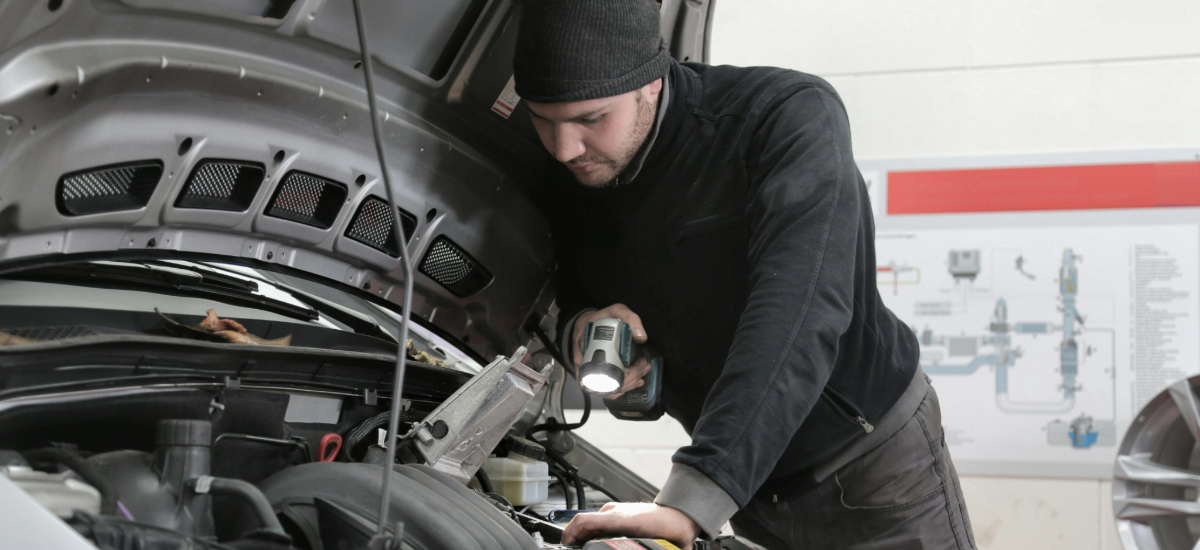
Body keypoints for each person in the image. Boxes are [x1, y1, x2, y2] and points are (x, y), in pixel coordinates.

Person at [513, 1, 976, 549]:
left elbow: (800, 313)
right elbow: (574, 296)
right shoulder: (571, 173)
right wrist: (582, 331)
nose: (566, 149)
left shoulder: (783, 117)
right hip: (751, 487)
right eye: (544, 121)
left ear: (653, 83)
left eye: (591, 120)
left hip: (874, 470)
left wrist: (695, 495)